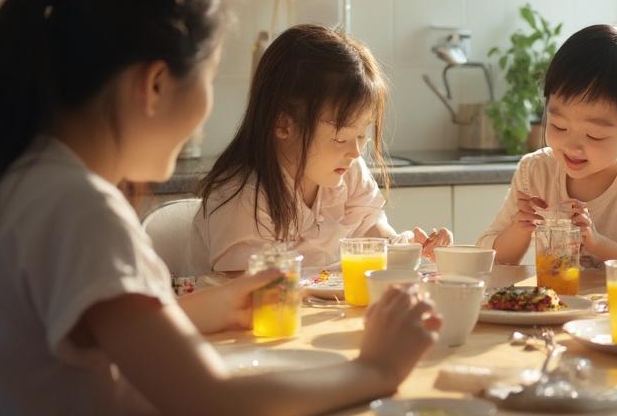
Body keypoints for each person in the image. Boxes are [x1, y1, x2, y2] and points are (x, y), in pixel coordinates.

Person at [0, 0, 440, 416]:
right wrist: (376, 368)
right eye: (209, 80)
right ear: (156, 84)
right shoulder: (77, 207)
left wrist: (209, 307)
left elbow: (73, 339)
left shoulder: (9, 181)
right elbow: (209, 406)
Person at [194, 24, 452, 271]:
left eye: (362, 136)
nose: (355, 152)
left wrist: (406, 249)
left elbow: (372, 231)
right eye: (341, 138)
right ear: (284, 124)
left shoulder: (348, 169)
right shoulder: (242, 197)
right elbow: (247, 295)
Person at [477, 24, 617, 274]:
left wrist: (598, 244)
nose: (571, 146)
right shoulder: (536, 170)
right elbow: (488, 258)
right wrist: (518, 229)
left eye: (594, 135)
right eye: (558, 125)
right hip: (555, 306)